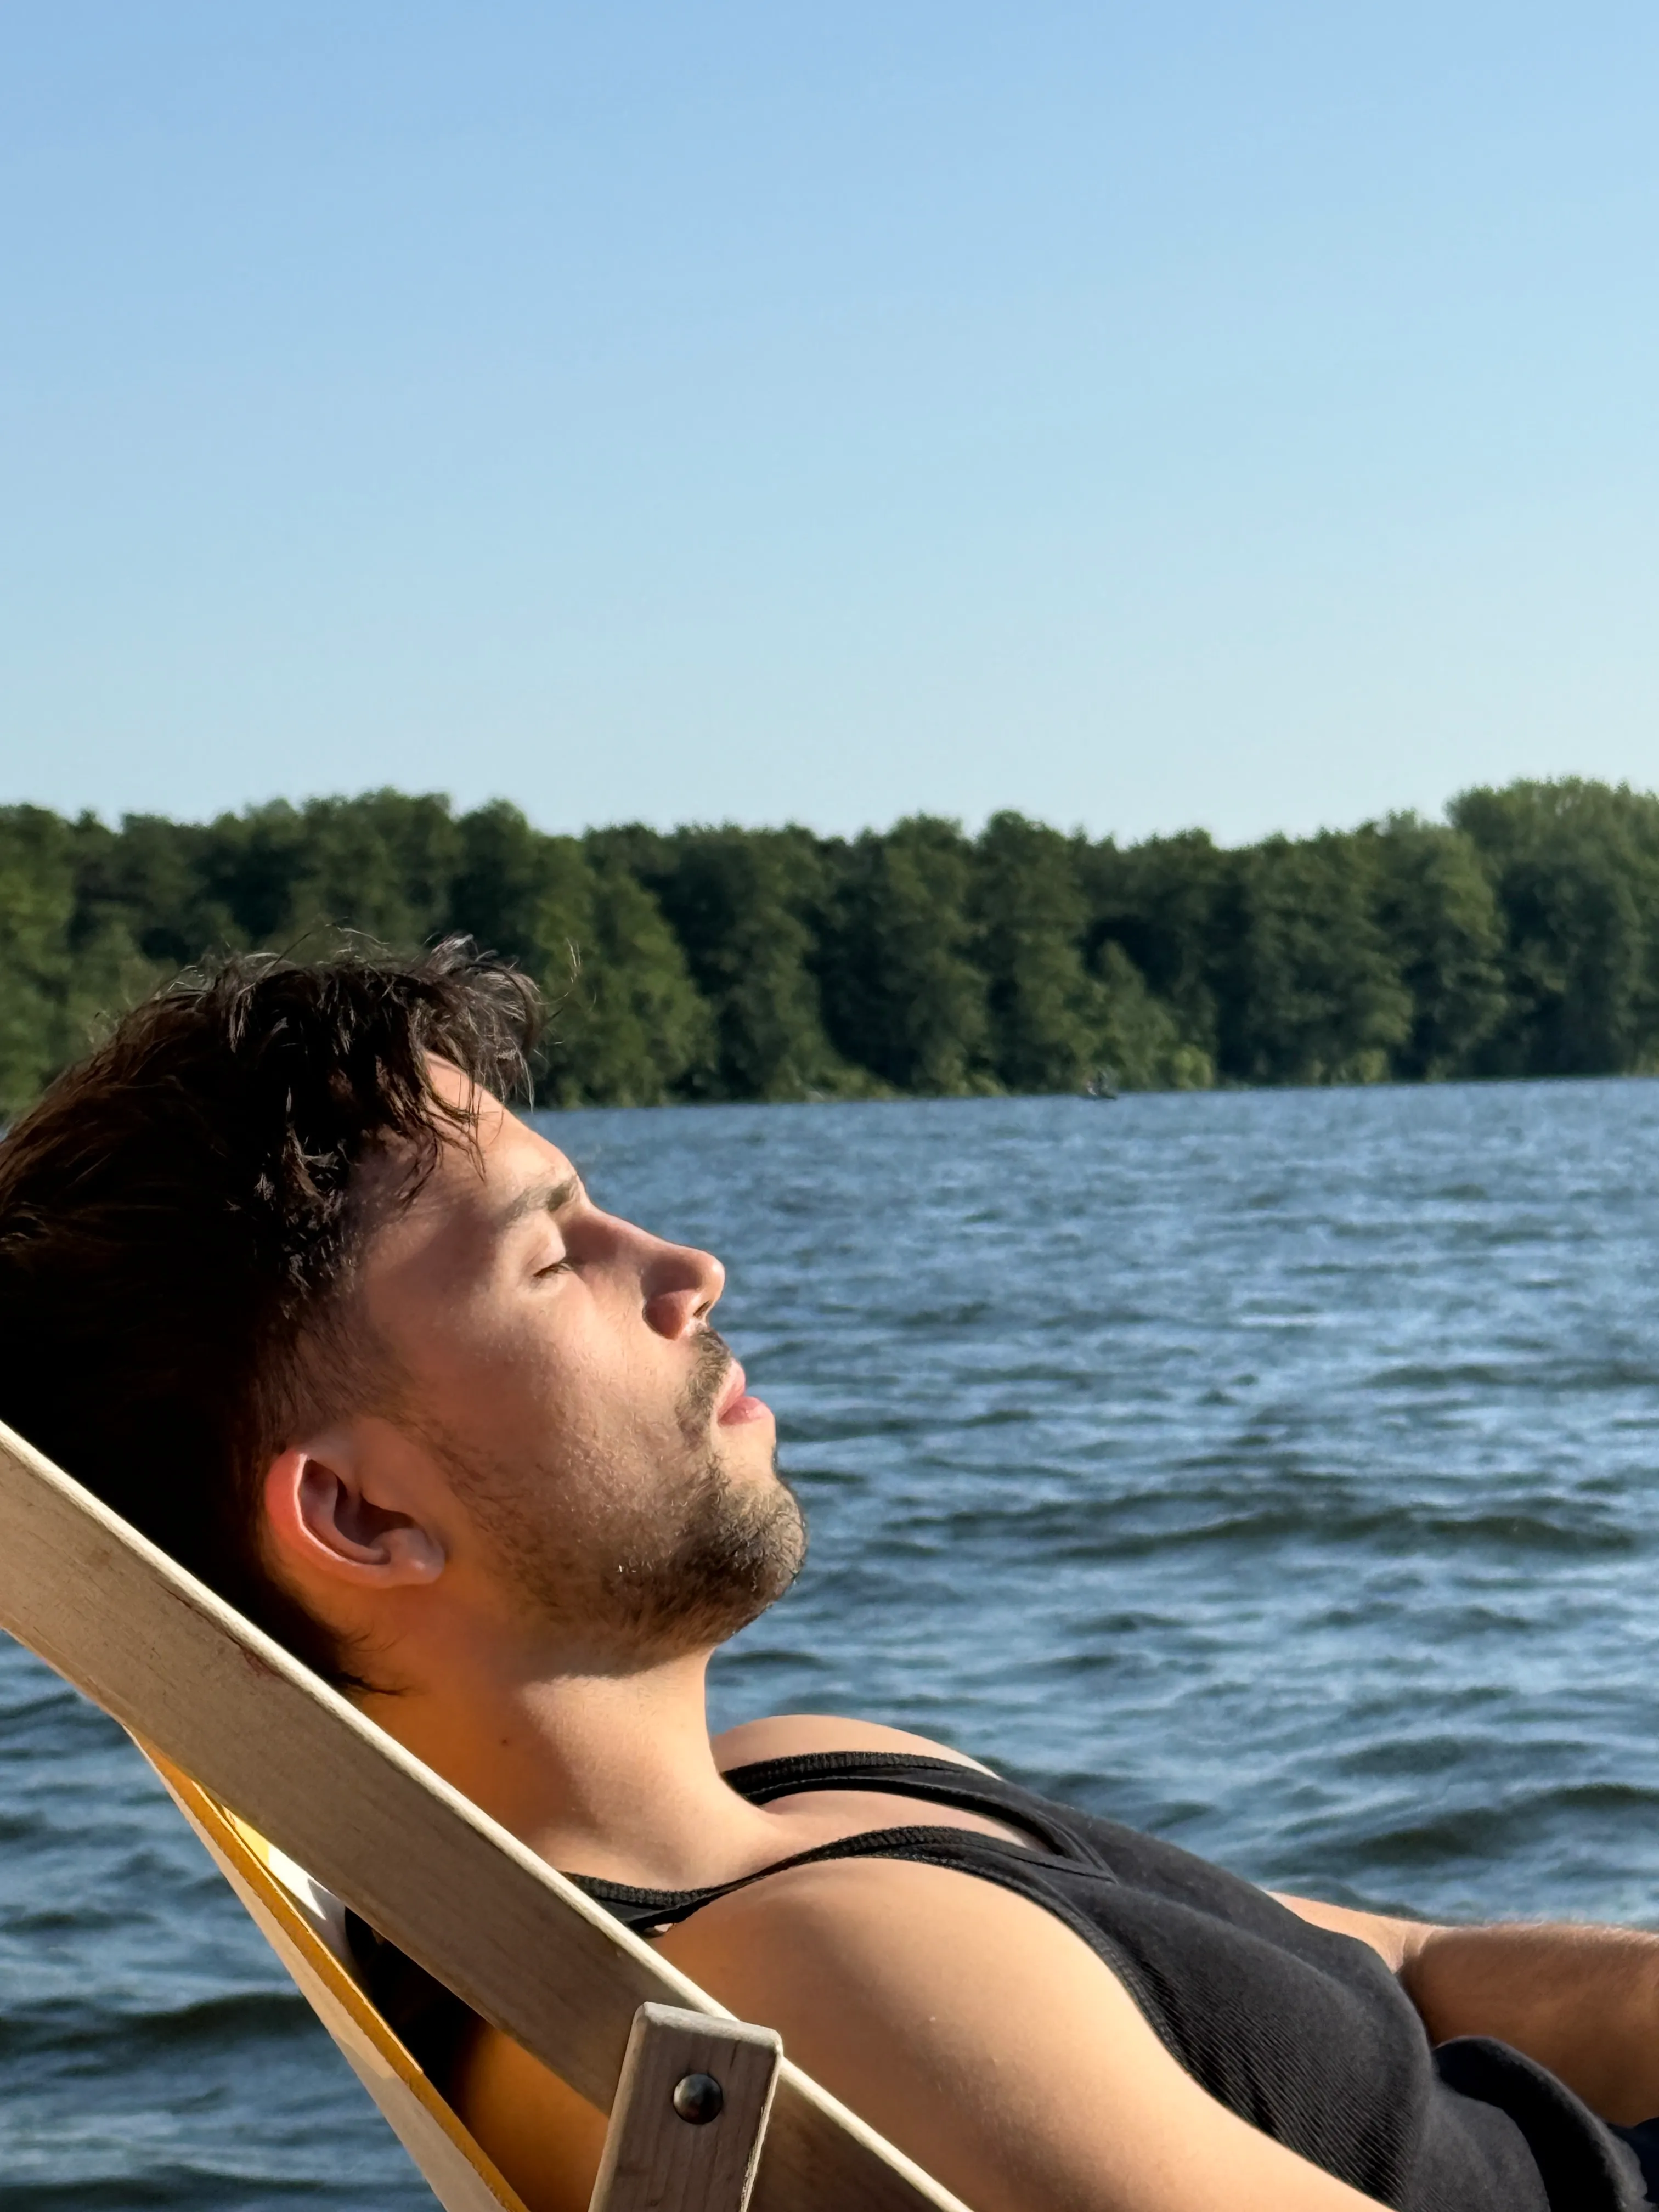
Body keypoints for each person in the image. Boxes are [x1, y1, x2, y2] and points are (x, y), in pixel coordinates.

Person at [2, 945, 1658, 2212]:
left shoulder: (804, 1789)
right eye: (550, 1252)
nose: (685, 1268)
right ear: (362, 1521)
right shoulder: (818, 1995)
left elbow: (1421, 1973)